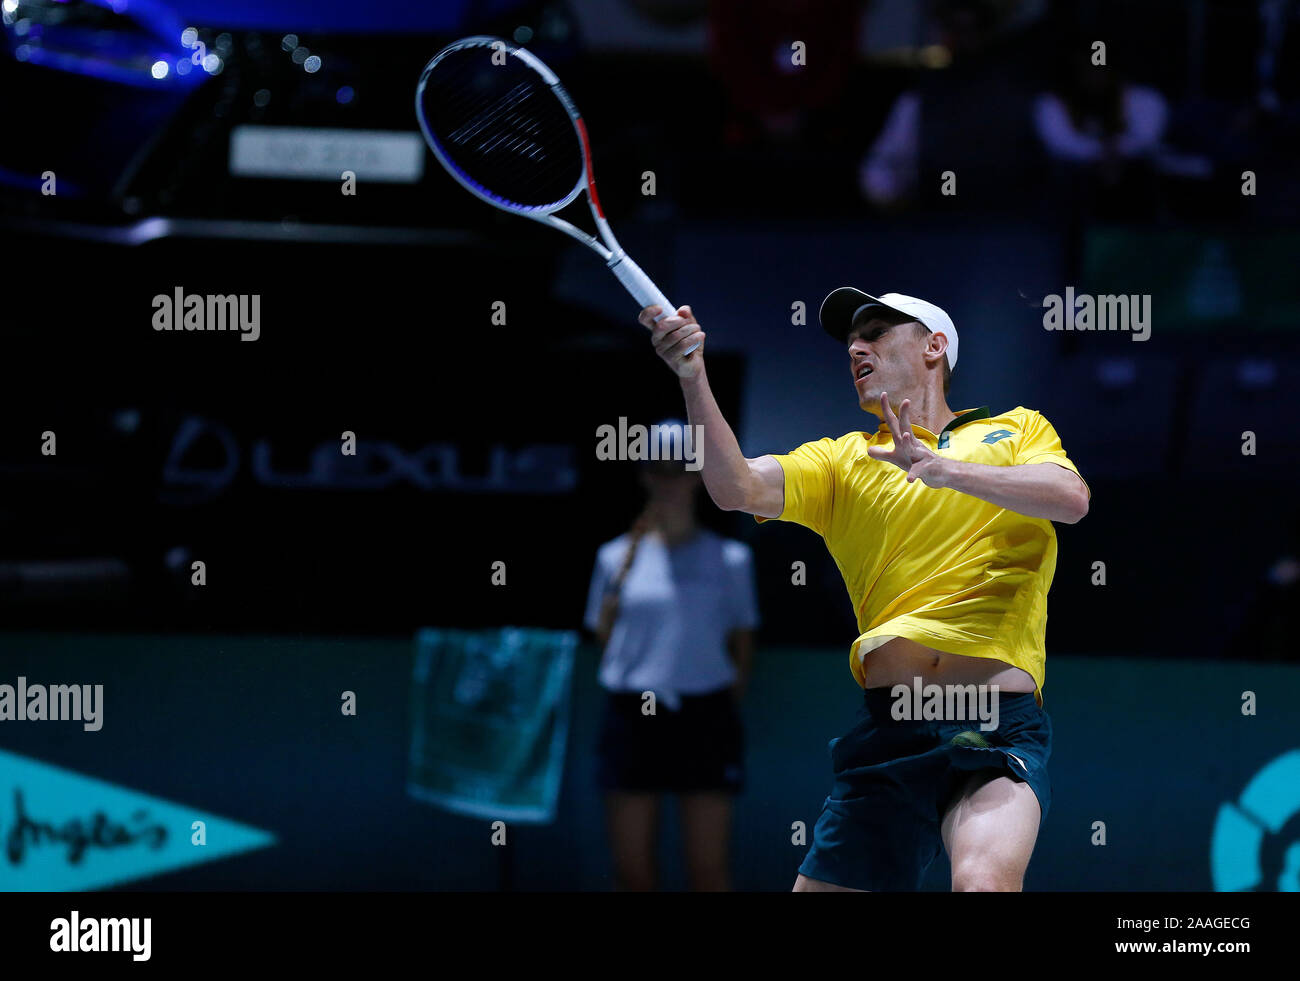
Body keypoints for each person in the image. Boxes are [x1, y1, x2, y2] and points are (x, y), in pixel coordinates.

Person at [638, 291, 1089, 892]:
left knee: (983, 884)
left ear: (934, 347)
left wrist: (940, 468)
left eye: (877, 331)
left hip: (991, 719)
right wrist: (694, 378)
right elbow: (733, 487)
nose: (856, 346)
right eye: (851, 339)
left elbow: (1071, 500)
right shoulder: (842, 461)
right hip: (890, 729)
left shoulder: (1018, 430)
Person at [583, 428, 759, 891]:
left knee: (707, 869)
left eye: (680, 469)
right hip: (630, 720)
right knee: (633, 871)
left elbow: (743, 643)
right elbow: (606, 639)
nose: (669, 480)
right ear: (644, 475)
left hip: (706, 719)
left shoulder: (732, 559)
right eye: (658, 469)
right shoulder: (611, 558)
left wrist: (716, 700)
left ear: (697, 476)